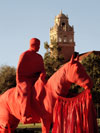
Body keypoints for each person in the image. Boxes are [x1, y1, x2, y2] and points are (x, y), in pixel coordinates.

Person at [16, 38, 46, 123]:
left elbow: (42, 69)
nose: (39, 47)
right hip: (25, 79)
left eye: (39, 46)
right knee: (25, 91)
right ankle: (25, 115)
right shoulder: (24, 55)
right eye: (37, 45)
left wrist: (42, 74)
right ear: (32, 45)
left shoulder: (39, 57)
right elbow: (19, 70)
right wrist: (21, 81)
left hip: (36, 79)